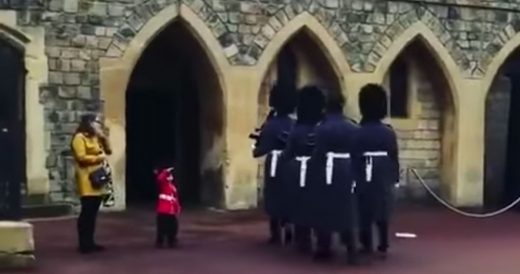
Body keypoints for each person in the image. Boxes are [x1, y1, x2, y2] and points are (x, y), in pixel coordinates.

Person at [308, 91, 359, 263]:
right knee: (348, 209)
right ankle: (352, 249)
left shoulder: (322, 128)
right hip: (347, 169)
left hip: (327, 170)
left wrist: (312, 172)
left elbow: (319, 152)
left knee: (325, 208)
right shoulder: (352, 127)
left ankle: (324, 247)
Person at [353, 84, 400, 260]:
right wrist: (395, 177)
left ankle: (366, 243)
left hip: (365, 169)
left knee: (364, 207)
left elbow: (355, 155)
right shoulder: (388, 132)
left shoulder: (358, 132)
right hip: (383, 170)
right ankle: (383, 241)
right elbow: (394, 155)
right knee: (383, 206)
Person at [280, 85, 325, 253]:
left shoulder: (297, 129)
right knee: (320, 205)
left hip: (298, 169)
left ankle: (302, 240)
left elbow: (288, 153)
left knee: (299, 204)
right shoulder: (322, 127)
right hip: (319, 169)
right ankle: (321, 240)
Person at [252, 85, 296, 245]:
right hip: (291, 162)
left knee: (273, 195)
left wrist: (256, 145)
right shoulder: (294, 123)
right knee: (289, 195)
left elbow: (259, 150)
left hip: (275, 162)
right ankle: (290, 227)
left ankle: (276, 233)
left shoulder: (271, 124)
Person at [71, 114, 112, 254]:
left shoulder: (96, 137)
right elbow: (81, 157)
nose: (98, 124)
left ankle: (91, 241)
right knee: (87, 211)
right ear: (89, 123)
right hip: (86, 177)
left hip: (98, 176)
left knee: (93, 211)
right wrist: (98, 158)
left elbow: (109, 151)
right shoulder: (79, 138)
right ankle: (83, 243)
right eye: (96, 122)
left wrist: (103, 137)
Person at [154, 165, 181, 248]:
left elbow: (175, 198)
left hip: (171, 210)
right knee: (162, 227)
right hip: (163, 210)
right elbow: (160, 178)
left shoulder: (173, 187)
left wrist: (177, 208)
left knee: (173, 227)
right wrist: (166, 171)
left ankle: (171, 241)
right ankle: (160, 242)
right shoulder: (164, 184)